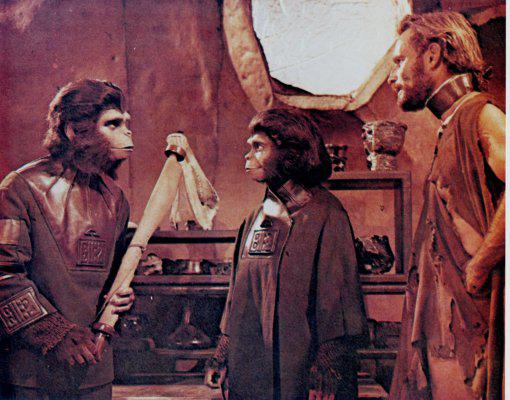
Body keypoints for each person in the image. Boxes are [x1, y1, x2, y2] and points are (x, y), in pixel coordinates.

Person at [205, 108, 368, 400]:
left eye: (258, 147)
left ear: (289, 153)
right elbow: (236, 296)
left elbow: (339, 303)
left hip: (306, 379)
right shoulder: (253, 220)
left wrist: (328, 366)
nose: (248, 156)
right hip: (252, 374)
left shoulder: (328, 214)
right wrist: (223, 352)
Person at [387, 11, 505, 400]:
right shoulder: (454, 122)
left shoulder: (479, 114)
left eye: (400, 61)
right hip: (446, 319)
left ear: (434, 55)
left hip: (471, 321)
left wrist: (480, 265)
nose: (393, 77)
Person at [0, 79, 138, 399]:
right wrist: (54, 333)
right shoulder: (20, 187)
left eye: (125, 122)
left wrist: (126, 297)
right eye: (113, 124)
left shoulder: (116, 199)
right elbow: (4, 275)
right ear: (75, 131)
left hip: (94, 371)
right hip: (30, 374)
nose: (127, 132)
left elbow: (118, 278)